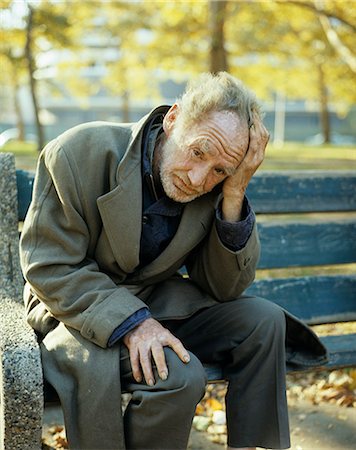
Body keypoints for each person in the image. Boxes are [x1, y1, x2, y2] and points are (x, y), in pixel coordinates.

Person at [20, 72, 327, 450]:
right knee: (178, 375)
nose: (199, 179)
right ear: (173, 119)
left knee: (263, 321)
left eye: (220, 170)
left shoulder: (216, 181)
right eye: (197, 152)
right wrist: (134, 323)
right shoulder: (77, 151)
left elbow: (224, 288)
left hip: (153, 301)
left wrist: (234, 192)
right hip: (74, 311)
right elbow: (50, 267)